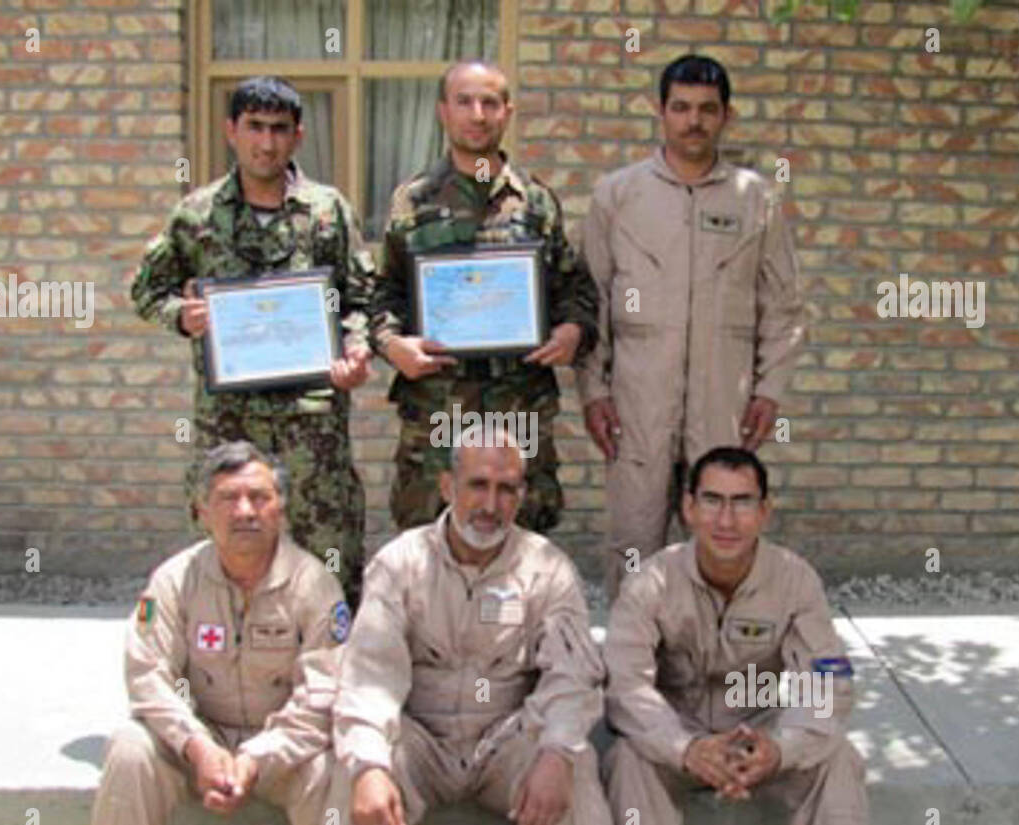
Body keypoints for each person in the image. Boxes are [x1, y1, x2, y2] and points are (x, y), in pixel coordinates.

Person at [320, 426, 617, 825]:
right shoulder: (400, 563)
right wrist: (368, 764)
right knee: (352, 775)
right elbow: (369, 675)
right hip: (421, 743)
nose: (490, 505)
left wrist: (557, 750)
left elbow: (572, 674)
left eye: (506, 490)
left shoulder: (547, 568)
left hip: (505, 742)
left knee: (576, 766)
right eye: (478, 485)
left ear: (521, 496)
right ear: (447, 486)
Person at [130, 75, 373, 607]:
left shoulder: (327, 211)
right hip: (230, 421)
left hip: (313, 423)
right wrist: (182, 315)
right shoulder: (196, 216)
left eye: (279, 130)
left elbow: (360, 297)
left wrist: (356, 348)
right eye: (255, 128)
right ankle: (230, 669)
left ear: (298, 136)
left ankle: (333, 672)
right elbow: (147, 291)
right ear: (231, 131)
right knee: (229, 550)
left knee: (327, 551)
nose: (267, 143)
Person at [577, 55, 806, 601]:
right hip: (637, 405)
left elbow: (785, 307)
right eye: (680, 108)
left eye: (707, 109)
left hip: (723, 406)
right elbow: (591, 303)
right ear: (660, 112)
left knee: (723, 538)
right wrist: (593, 392)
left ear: (727, 115)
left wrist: (771, 390)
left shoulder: (756, 200)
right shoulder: (618, 195)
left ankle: (716, 665)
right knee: (635, 539)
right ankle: (633, 667)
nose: (693, 121)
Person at [601, 446, 872, 825]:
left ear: (764, 511)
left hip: (758, 737)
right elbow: (623, 683)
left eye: (742, 502)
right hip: (676, 734)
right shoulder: (650, 582)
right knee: (626, 761)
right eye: (712, 500)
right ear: (689, 508)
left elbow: (830, 685)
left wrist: (782, 748)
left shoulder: (795, 580)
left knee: (838, 756)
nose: (726, 521)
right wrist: (686, 748)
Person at [82, 442, 349, 825]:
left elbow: (324, 695)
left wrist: (258, 757)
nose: (245, 511)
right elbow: (147, 675)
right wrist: (197, 747)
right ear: (202, 512)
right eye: (228, 499)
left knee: (335, 770)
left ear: (279, 509)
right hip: (199, 739)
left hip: (284, 748)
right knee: (130, 748)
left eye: (260, 498)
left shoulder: (315, 586)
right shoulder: (173, 580)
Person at [370, 60, 598, 534]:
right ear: (442, 111)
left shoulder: (536, 203)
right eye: (464, 102)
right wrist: (393, 345)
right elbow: (382, 294)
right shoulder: (412, 202)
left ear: (507, 111)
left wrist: (573, 330)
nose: (478, 114)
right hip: (438, 407)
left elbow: (576, 288)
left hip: (520, 404)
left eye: (490, 102)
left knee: (525, 533)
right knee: (426, 534)